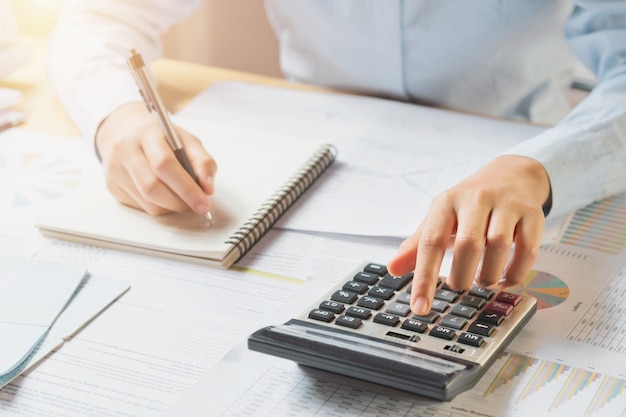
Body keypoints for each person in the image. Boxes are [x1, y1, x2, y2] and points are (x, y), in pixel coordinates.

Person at [47, 0, 626, 316]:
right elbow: (99, 16)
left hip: (516, 158)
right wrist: (116, 115)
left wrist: (538, 167)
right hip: (306, 175)